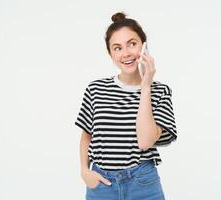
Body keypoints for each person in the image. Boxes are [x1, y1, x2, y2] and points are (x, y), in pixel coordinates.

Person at [74, 11, 177, 200]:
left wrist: (146, 85)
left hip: (143, 183)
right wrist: (84, 170)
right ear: (110, 53)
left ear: (144, 46)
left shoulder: (160, 91)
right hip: (102, 184)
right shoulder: (95, 89)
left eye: (132, 44)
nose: (126, 53)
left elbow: (145, 142)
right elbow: (86, 134)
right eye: (117, 48)